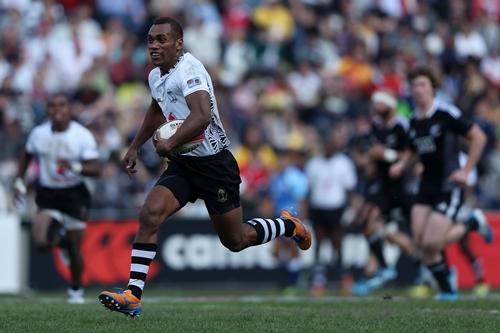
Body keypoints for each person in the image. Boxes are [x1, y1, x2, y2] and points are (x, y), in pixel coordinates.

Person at [98, 17, 311, 317]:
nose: (154, 46)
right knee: (149, 214)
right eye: (150, 40)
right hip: (184, 164)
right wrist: (135, 146)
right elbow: (157, 108)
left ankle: (288, 225)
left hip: (214, 165)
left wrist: (169, 144)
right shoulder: (155, 76)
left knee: (235, 240)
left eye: (161, 39)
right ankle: (133, 294)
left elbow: (201, 115)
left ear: (178, 43)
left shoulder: (190, 69)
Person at [390, 66, 492, 300]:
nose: (418, 90)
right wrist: (404, 165)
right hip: (426, 185)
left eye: (423, 85)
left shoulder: (446, 113)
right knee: (420, 242)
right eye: (414, 86)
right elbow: (414, 151)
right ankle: (447, 290)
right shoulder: (413, 120)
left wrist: (466, 170)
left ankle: (472, 223)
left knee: (432, 243)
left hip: (448, 185)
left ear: (433, 88)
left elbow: (479, 136)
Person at [13, 93, 101, 304]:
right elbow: (26, 155)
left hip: (74, 194)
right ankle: (60, 242)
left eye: (62, 105)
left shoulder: (81, 135)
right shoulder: (39, 133)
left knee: (75, 247)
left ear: (69, 109)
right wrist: (19, 181)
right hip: (49, 192)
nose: (57, 110)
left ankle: (76, 289)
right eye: (52, 106)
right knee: (41, 242)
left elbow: (96, 168)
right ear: (47, 111)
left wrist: (76, 167)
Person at [351, 90, 417, 295]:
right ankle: (383, 268)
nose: (376, 107)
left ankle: (424, 269)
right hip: (382, 187)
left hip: (402, 187)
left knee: (407, 236)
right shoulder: (375, 127)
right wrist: (368, 160)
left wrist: (387, 155)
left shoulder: (402, 125)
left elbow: (413, 153)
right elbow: (368, 152)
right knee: (366, 222)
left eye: (380, 102)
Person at [305, 122, 357, 297]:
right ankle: (319, 280)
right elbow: (309, 190)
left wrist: (351, 209)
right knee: (318, 244)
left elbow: (350, 190)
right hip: (318, 207)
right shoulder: (314, 164)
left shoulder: (344, 163)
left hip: (336, 208)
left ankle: (344, 278)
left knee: (337, 244)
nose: (328, 146)